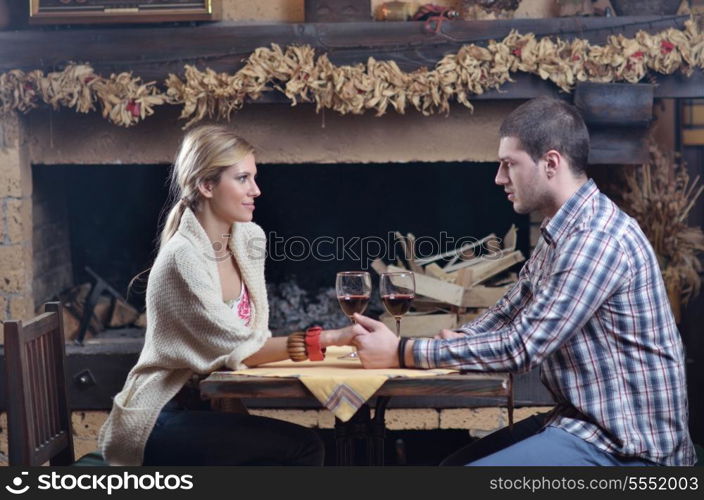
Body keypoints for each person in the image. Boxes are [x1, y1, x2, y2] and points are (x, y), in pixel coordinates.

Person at [350, 96, 696, 466]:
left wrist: (403, 352)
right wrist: (462, 338)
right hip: (582, 425)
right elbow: (508, 311)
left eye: (509, 164)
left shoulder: (595, 239)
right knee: (450, 467)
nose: (499, 178)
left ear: (550, 163)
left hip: (629, 451)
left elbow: (522, 348)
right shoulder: (561, 231)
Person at [98, 125, 356, 466]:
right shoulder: (183, 258)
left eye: (254, 177)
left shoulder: (247, 240)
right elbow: (240, 346)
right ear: (207, 185)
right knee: (305, 447)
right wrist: (331, 338)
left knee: (301, 444)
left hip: (212, 404)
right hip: (160, 414)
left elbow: (251, 339)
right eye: (243, 179)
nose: (257, 191)